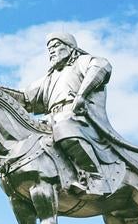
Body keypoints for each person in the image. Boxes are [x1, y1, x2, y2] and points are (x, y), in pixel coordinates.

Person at [22, 32, 127, 196]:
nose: (51, 51)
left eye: (56, 46)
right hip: (52, 118)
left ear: (70, 47)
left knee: (63, 125)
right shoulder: (49, 77)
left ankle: (96, 177)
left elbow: (102, 66)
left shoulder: (81, 61)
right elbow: (25, 97)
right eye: (49, 48)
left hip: (79, 118)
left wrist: (81, 95)